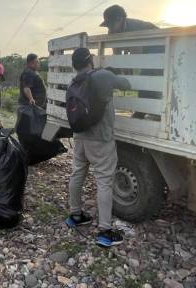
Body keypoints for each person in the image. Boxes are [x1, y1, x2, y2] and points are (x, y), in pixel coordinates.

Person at [64, 47, 131, 247]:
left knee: (77, 174)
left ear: (74, 65)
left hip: (80, 137)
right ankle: (105, 231)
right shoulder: (102, 75)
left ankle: (75, 215)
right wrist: (110, 73)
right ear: (90, 60)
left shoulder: (73, 82)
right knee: (104, 181)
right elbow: (125, 84)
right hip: (100, 139)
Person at [100, 4, 163, 119]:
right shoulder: (112, 32)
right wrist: (118, 71)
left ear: (120, 19)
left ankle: (150, 112)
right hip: (144, 54)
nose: (109, 28)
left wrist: (128, 73)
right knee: (144, 80)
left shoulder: (136, 29)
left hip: (157, 49)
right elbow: (117, 53)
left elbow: (136, 55)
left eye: (111, 24)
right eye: (108, 25)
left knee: (148, 80)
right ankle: (145, 111)